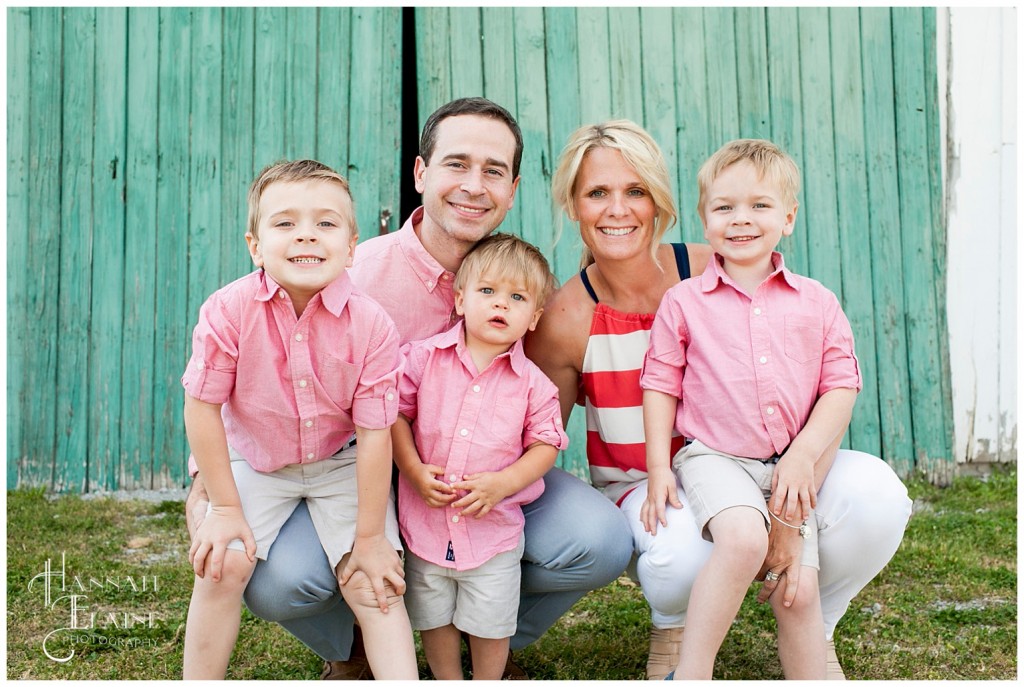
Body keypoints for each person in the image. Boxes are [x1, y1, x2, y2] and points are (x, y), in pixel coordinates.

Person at [185, 98, 633, 680]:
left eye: (493, 171)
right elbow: (244, 384)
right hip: (358, 470)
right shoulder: (351, 276)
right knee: (280, 582)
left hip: (476, 480)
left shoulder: (522, 283)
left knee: (597, 539)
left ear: (513, 187)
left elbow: (539, 403)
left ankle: (483, 630)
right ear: (421, 173)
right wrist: (210, 491)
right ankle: (352, 652)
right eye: (456, 164)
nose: (474, 186)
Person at [524, 120, 913, 680]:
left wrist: (796, 472)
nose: (618, 209)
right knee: (681, 551)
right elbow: (542, 434)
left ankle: (813, 620)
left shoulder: (716, 265)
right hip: (654, 483)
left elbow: (799, 367)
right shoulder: (564, 317)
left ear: (659, 199)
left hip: (765, 461)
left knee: (876, 495)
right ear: (573, 205)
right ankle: (674, 629)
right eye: (597, 193)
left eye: (635, 191)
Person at [179, 160, 418, 680]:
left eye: (326, 223)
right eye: (285, 223)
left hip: (340, 461)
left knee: (372, 581)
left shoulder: (372, 324)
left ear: (352, 247)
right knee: (225, 560)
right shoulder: (228, 311)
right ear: (255, 245)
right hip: (258, 458)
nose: (306, 235)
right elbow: (202, 406)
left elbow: (375, 433)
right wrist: (222, 505)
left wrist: (372, 538)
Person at [641, 139, 860, 679]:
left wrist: (804, 456)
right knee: (742, 539)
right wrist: (656, 466)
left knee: (799, 591)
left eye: (760, 206)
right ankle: (692, 672)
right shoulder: (684, 301)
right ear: (704, 217)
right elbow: (660, 383)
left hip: (793, 462)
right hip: (716, 457)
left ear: (788, 217)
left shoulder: (817, 301)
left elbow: (842, 385)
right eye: (725, 207)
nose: (742, 219)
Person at [394, 233, 567, 679]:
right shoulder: (422, 359)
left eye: (517, 297)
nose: (500, 305)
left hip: (494, 532)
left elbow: (545, 444)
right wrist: (412, 469)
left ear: (534, 318)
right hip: (426, 525)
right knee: (432, 615)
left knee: (492, 620)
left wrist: (505, 483)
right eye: (487, 291)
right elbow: (394, 416)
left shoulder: (534, 385)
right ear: (459, 299)